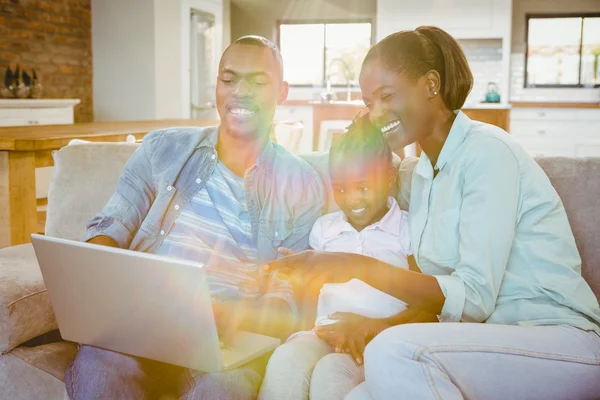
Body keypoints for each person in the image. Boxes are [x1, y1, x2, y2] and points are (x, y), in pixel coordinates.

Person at [264, 26, 600, 400]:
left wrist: (354, 266)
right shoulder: (422, 175)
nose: (375, 113)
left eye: (386, 96)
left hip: (553, 336)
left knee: (391, 350)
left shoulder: (488, 152)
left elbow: (473, 298)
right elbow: (368, 175)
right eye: (368, 102)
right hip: (479, 339)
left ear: (431, 85)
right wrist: (376, 323)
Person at [64, 36, 325, 400]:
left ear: (282, 92)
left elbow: (291, 295)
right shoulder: (163, 149)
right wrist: (102, 275)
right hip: (142, 323)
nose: (240, 92)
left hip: (228, 339)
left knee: (225, 388)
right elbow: (112, 224)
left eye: (258, 81)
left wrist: (235, 316)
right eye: (229, 78)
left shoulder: (302, 183)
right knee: (98, 368)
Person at [259, 117, 437, 400]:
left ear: (389, 177)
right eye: (340, 189)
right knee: (285, 360)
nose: (352, 199)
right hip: (323, 335)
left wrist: (378, 328)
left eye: (363, 188)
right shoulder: (324, 229)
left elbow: (430, 305)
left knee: (331, 373)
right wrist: (301, 282)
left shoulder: (409, 228)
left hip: (377, 340)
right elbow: (310, 301)